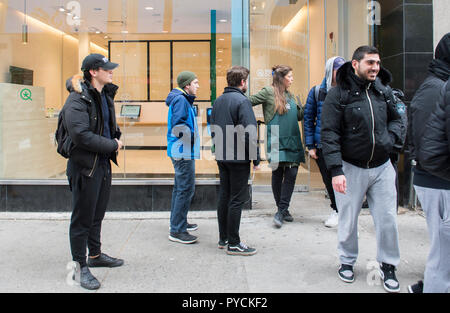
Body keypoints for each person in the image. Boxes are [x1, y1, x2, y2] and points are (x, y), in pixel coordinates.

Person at [321, 46, 404, 293]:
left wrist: (391, 140)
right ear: (355, 64)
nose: (375, 67)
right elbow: (329, 133)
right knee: (347, 219)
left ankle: (388, 265)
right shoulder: (338, 94)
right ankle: (347, 261)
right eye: (370, 62)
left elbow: (399, 117)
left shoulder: (383, 91)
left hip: (382, 167)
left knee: (388, 218)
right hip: (350, 167)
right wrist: (336, 170)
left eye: (377, 63)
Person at [61, 53, 124, 290]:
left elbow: (105, 127)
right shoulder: (77, 99)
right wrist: (112, 145)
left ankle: (95, 256)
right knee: (82, 218)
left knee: (97, 214)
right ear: (93, 72)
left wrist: (113, 138)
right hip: (85, 167)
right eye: (106, 68)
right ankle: (79, 267)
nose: (111, 71)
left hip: (102, 164)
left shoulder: (103, 95)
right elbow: (80, 135)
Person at [408, 32, 450, 293]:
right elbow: (426, 146)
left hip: (439, 178)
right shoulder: (436, 88)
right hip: (437, 180)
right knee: (443, 251)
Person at [210, 66, 260, 255]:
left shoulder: (218, 101)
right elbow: (249, 133)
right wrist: (255, 157)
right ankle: (234, 243)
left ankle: (224, 238)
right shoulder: (242, 101)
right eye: (246, 80)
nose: (246, 84)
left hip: (222, 155)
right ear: (242, 82)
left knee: (225, 194)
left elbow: (213, 127)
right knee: (237, 199)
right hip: (239, 157)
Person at [249, 65, 305, 228]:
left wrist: (304, 107)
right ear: (281, 78)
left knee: (292, 173)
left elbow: (299, 116)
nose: (292, 79)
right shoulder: (268, 91)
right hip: (275, 137)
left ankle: (282, 210)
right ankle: (282, 210)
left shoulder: (291, 95)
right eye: (290, 76)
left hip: (292, 137)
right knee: (278, 173)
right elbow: (249, 101)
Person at [304, 56, 345, 228]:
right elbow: (308, 118)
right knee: (329, 180)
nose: (342, 73)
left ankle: (345, 213)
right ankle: (336, 210)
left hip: (344, 145)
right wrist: (310, 145)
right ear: (330, 71)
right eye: (338, 69)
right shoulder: (317, 91)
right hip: (322, 145)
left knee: (345, 181)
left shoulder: (349, 90)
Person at [166, 71, 200, 244]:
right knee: (185, 188)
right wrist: (192, 137)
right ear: (187, 85)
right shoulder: (181, 100)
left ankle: (179, 222)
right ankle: (177, 230)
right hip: (183, 150)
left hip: (182, 149)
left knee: (181, 188)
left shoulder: (181, 99)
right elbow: (179, 126)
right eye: (195, 82)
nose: (197, 85)